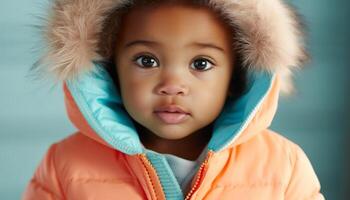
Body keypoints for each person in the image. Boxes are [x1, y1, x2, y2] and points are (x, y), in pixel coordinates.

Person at [23, 0, 325, 199]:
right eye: (146, 61)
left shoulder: (284, 166)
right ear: (111, 70)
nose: (172, 86)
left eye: (201, 64)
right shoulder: (65, 164)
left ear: (236, 78)